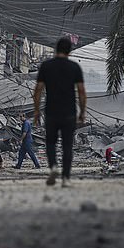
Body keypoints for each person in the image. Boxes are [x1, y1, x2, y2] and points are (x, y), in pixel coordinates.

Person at [33, 37, 87, 187]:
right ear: (69, 51)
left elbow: (38, 90)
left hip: (51, 111)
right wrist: (82, 112)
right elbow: (81, 92)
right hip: (69, 112)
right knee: (67, 145)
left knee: (50, 142)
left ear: (56, 49)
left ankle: (53, 167)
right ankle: (65, 178)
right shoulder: (74, 67)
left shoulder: (46, 66)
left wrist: (36, 110)